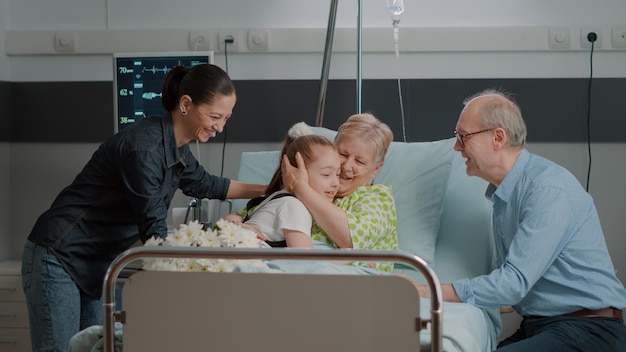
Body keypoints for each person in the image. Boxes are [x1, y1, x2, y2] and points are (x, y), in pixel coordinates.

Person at [21, 63, 266, 352]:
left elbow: (208, 184)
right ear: (186, 103)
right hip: (58, 255)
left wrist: (271, 188)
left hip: (95, 263)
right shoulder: (144, 149)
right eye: (215, 116)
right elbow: (154, 233)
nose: (220, 127)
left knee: (96, 348)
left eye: (226, 118)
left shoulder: (176, 147)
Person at [416, 88, 626, 351]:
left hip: (591, 329)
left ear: (498, 137)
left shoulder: (546, 189)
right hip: (544, 324)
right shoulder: (505, 195)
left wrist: (428, 290)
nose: (457, 146)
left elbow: (513, 284)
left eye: (463, 136)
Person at [281, 113, 399, 272]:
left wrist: (301, 188)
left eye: (359, 161)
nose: (346, 166)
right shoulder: (313, 184)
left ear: (375, 169)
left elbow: (350, 237)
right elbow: (264, 211)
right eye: (342, 154)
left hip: (350, 279)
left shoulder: (378, 197)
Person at [228, 122, 341, 248]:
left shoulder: (275, 198)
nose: (336, 183)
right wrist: (345, 262)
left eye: (338, 174)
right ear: (295, 172)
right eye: (326, 174)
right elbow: (304, 259)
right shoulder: (294, 206)